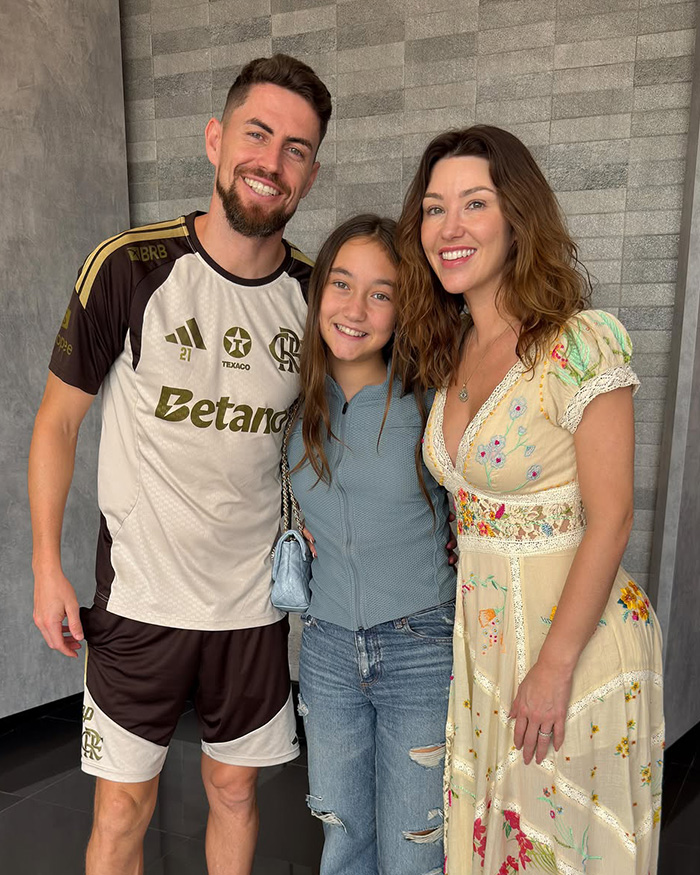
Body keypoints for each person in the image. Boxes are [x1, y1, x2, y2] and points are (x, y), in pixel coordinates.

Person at [28, 54, 331, 875]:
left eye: (296, 148)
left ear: (310, 171)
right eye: (257, 134)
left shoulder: (316, 297)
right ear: (215, 139)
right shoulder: (129, 267)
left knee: (236, 793)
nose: (272, 161)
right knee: (123, 807)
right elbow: (57, 422)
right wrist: (46, 565)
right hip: (139, 602)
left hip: (252, 610)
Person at [393, 126, 664, 874]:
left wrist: (552, 665)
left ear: (516, 216)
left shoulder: (578, 343)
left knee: (561, 851)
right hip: (484, 647)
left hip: (570, 646)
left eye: (473, 203)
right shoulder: (450, 349)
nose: (450, 227)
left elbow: (612, 518)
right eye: (434, 207)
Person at [286, 214, 456, 875]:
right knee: (344, 836)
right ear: (318, 290)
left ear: (402, 306)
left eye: (381, 292)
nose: (355, 309)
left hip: (420, 643)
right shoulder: (296, 399)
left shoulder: (431, 397)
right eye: (342, 283)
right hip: (326, 647)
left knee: (415, 847)